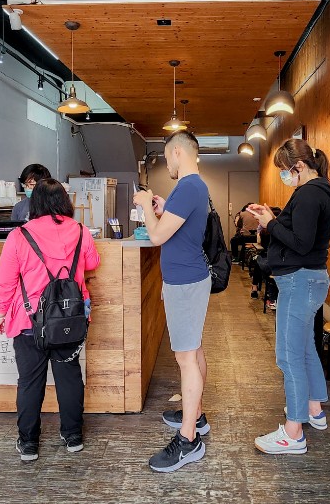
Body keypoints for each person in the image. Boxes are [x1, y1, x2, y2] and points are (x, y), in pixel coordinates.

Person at [249, 139, 330, 455]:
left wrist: (270, 223)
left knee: (288, 355)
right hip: (310, 279)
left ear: (299, 167)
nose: (283, 176)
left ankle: (293, 432)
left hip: (299, 280)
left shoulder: (308, 194)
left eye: (284, 170)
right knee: (305, 348)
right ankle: (315, 409)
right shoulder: (320, 192)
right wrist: (272, 219)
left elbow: (300, 243)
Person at [0, 178, 101, 462]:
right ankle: (73, 436)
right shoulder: (80, 230)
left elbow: (5, 281)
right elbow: (92, 263)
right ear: (64, 202)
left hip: (29, 322)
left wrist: (2, 311)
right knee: (69, 377)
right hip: (69, 319)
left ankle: (29, 443)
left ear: (35, 203)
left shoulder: (20, 235)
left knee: (29, 382)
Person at [132, 130, 212, 473]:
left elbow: (156, 235)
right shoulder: (192, 187)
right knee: (192, 351)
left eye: (167, 158)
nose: (168, 164)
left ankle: (188, 439)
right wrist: (163, 208)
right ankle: (196, 414)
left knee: (185, 358)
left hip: (186, 281)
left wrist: (144, 205)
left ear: (178, 151)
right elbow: (177, 225)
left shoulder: (190, 186)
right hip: (187, 279)